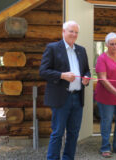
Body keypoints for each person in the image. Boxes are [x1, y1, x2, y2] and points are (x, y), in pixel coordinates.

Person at [39, 20, 91, 160]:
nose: (74, 34)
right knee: (57, 133)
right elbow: (43, 71)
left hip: (77, 98)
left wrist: (86, 78)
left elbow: (86, 70)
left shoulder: (81, 50)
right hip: (61, 98)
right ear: (63, 32)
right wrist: (62, 75)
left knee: (74, 133)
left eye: (76, 32)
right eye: (71, 31)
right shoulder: (53, 48)